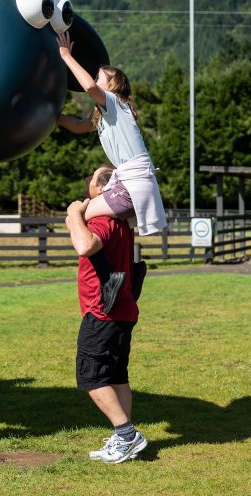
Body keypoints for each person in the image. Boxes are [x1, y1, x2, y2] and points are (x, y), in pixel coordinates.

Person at [66, 165, 147, 464]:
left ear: (102, 190)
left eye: (91, 181)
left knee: (92, 377)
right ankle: (123, 437)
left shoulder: (102, 220)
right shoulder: (123, 224)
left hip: (102, 313)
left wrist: (75, 214)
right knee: (116, 376)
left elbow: (86, 245)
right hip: (122, 310)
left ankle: (126, 435)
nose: (88, 185)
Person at [56, 32, 167, 236]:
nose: (94, 80)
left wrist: (66, 56)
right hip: (134, 186)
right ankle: (124, 265)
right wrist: (53, 116)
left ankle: (103, 263)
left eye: (99, 78)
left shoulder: (116, 104)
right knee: (93, 221)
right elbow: (78, 126)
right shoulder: (106, 116)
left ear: (111, 87)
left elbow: (88, 86)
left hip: (132, 187)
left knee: (75, 216)